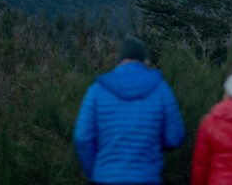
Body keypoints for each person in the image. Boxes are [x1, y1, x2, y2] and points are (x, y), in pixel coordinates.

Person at [73, 36, 185, 185]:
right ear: (144, 60)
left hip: (106, 177)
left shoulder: (97, 90)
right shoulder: (161, 89)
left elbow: (82, 138)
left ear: (119, 60)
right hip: (146, 177)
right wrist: (152, 144)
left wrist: (94, 172)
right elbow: (174, 137)